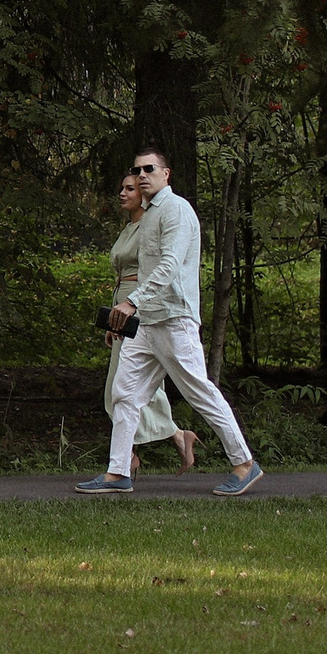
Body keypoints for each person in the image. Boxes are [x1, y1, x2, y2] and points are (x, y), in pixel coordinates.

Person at [76, 145, 264, 497]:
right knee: (125, 394)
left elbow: (170, 266)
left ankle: (244, 463)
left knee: (200, 393)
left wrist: (131, 302)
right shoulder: (148, 215)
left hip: (174, 320)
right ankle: (118, 472)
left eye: (150, 169)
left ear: (166, 174)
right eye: (138, 169)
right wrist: (131, 312)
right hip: (145, 324)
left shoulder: (176, 210)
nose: (143, 174)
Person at [105, 172, 198, 475]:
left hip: (140, 303)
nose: (123, 193)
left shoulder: (149, 225)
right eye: (122, 187)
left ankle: (128, 457)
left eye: (129, 188)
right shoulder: (128, 227)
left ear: (144, 195)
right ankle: (172, 437)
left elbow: (160, 268)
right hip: (122, 303)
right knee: (129, 383)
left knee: (126, 384)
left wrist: (132, 306)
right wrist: (113, 317)